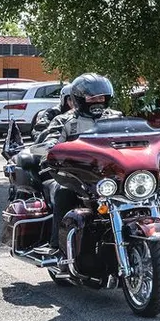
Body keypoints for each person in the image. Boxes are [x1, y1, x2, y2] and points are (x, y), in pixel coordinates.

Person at [32, 73, 121, 249]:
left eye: (101, 97)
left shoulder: (116, 117)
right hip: (72, 174)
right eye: (91, 97)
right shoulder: (64, 120)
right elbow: (50, 139)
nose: (97, 101)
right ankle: (57, 246)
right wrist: (51, 146)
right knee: (64, 192)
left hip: (107, 174)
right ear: (79, 99)